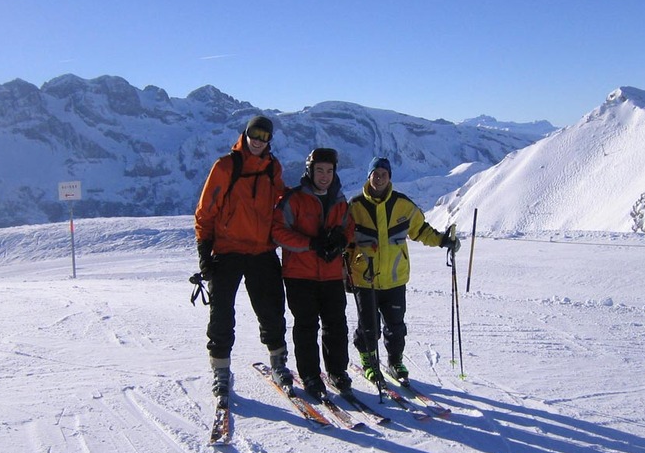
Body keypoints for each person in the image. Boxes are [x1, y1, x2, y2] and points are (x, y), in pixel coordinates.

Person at [194, 115, 291, 407]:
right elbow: (206, 210)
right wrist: (204, 251)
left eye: (264, 136)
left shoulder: (272, 167)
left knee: (271, 310)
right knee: (221, 314)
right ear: (245, 134)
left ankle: (278, 363)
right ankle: (221, 371)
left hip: (262, 250)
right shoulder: (226, 166)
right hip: (228, 251)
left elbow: (282, 200)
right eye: (254, 134)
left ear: (270, 140)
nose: (258, 140)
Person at [345, 156, 459, 385]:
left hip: (395, 279)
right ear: (369, 176)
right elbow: (345, 241)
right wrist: (344, 272)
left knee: (396, 326)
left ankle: (395, 361)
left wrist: (442, 240)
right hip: (365, 279)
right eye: (375, 174)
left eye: (383, 174)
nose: (379, 178)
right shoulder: (354, 206)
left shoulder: (403, 205)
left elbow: (421, 230)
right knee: (368, 326)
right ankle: (369, 360)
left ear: (389, 177)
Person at [272, 148, 354, 399]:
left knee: (336, 325)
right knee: (306, 326)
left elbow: (348, 226)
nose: (324, 176)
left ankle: (337, 371)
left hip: (331, 274)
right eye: (319, 170)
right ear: (310, 171)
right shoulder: (293, 199)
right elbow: (278, 232)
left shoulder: (339, 200)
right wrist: (310, 243)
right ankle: (310, 375)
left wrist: (341, 240)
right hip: (300, 275)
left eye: (329, 171)